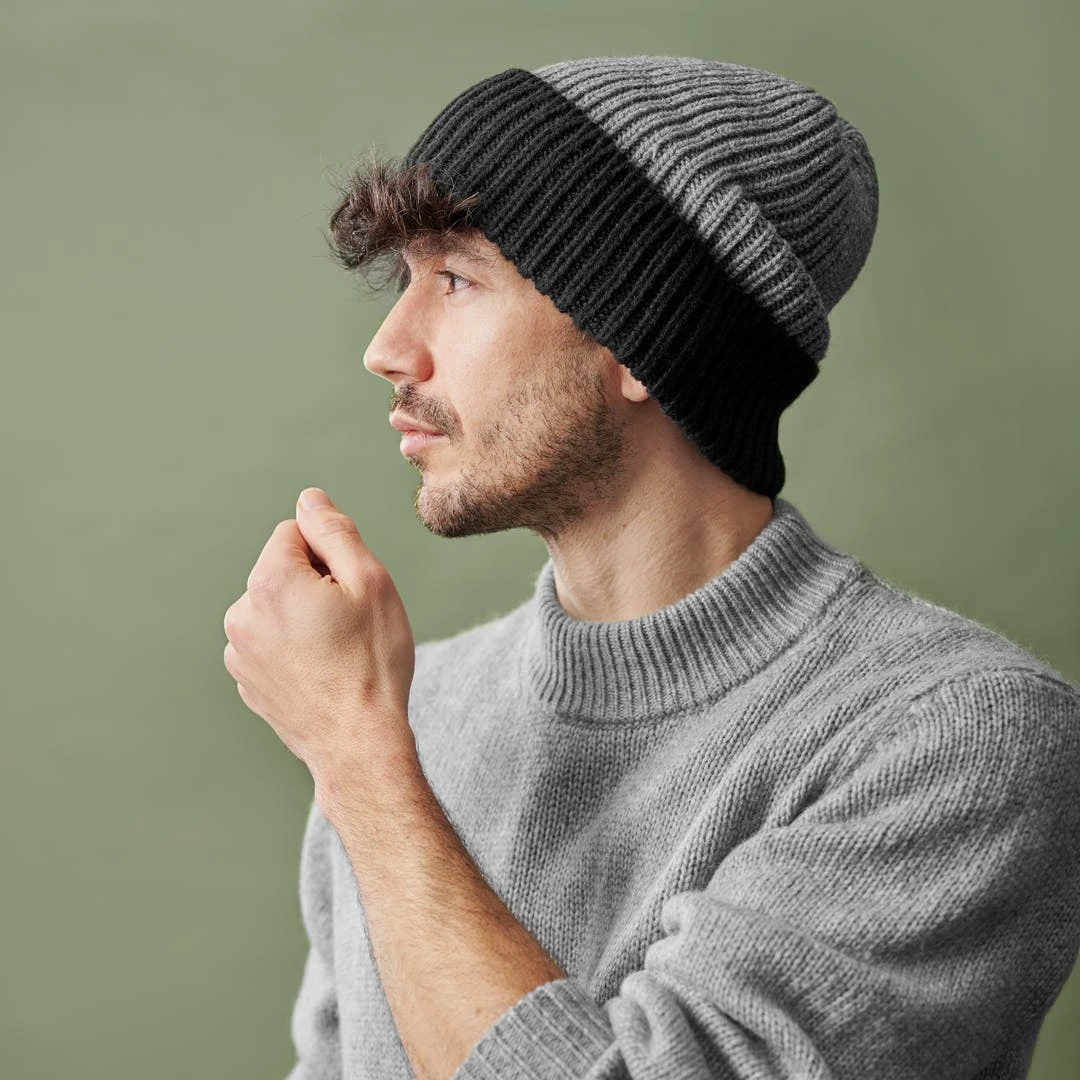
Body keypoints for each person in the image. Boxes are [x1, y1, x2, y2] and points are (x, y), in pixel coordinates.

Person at [285, 56, 1080, 1079]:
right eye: (405, 281)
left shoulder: (956, 740)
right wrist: (368, 750)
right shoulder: (416, 711)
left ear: (642, 337)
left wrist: (359, 760)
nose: (389, 348)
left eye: (457, 278)